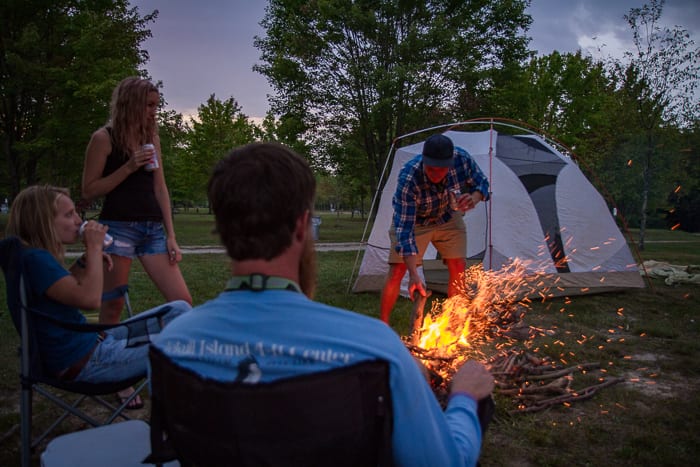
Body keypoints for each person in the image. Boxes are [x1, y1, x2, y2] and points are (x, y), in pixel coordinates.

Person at [153, 142, 495, 466]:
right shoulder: (375, 348)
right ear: (303, 226)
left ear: (221, 228)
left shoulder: (169, 346)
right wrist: (464, 398)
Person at [4, 185, 191, 406]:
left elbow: (63, 289)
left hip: (93, 342)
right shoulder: (36, 260)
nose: (77, 220)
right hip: (89, 362)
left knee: (179, 309)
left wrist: (85, 261)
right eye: (68, 214)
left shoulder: (31, 257)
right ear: (41, 221)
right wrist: (94, 249)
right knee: (187, 342)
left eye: (76, 212)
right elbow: (90, 300)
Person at [81, 76, 192, 327]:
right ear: (130, 104)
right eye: (149, 106)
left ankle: (162, 354)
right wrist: (129, 167)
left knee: (182, 303)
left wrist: (171, 235)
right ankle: (103, 358)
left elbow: (160, 187)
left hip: (152, 231)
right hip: (119, 228)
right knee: (113, 307)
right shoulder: (103, 138)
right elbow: (89, 190)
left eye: (156, 106)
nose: (154, 112)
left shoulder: (151, 138)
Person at [380, 133, 490, 324]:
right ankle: (382, 324)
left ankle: (454, 321)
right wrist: (414, 275)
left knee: (458, 266)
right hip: (416, 221)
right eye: (431, 169)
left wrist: (475, 197)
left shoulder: (461, 159)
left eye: (442, 170)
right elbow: (405, 233)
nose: (436, 175)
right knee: (398, 269)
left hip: (448, 216)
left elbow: (483, 184)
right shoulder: (409, 177)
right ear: (424, 160)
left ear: (450, 163)